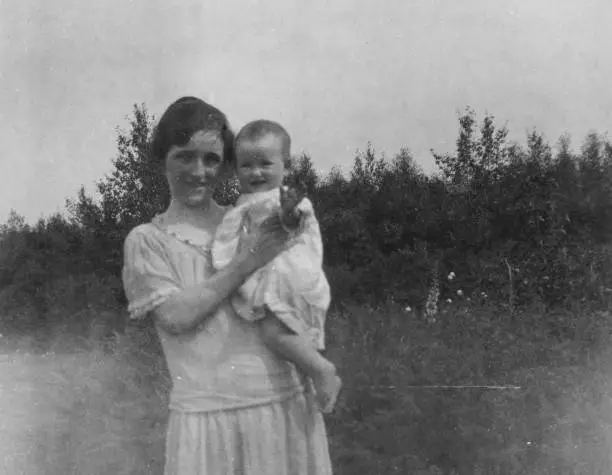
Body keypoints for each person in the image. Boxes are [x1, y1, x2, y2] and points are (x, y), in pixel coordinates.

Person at [122, 97, 334, 474]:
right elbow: (176, 316)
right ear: (161, 160)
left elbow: (297, 271)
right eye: (184, 157)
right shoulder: (147, 240)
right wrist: (249, 260)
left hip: (281, 405)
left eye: (212, 159)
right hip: (207, 421)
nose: (198, 171)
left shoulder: (250, 217)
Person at [211, 119, 342, 414]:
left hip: (287, 274)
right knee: (278, 331)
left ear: (287, 165)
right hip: (269, 272)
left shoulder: (284, 200)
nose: (256, 172)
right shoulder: (246, 202)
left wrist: (287, 215)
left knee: (273, 332)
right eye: (246, 165)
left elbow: (293, 222)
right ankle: (310, 373)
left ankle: (321, 369)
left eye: (265, 164)